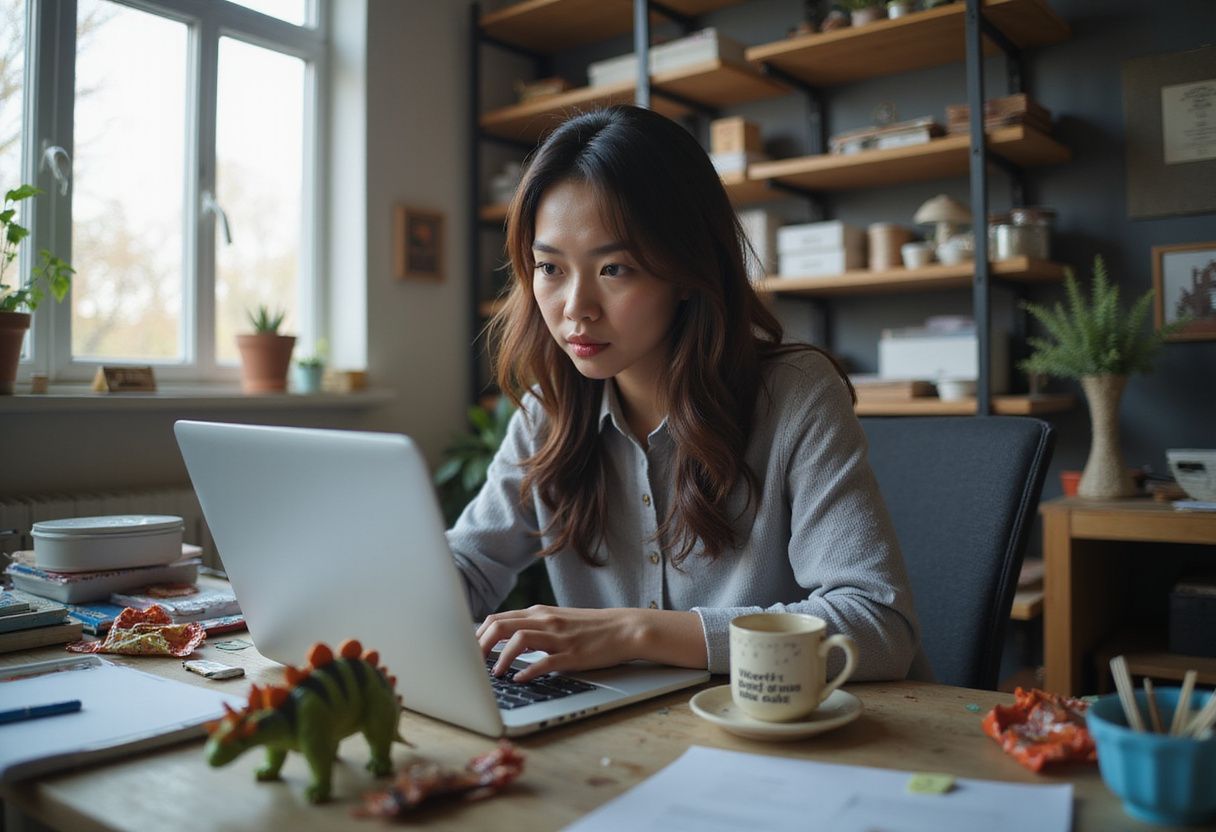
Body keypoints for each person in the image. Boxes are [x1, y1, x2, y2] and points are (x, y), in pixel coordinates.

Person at [447, 105, 925, 684]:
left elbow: (877, 627)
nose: (576, 309)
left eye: (615, 268)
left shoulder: (796, 396)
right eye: (550, 267)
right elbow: (467, 567)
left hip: (776, 736)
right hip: (618, 740)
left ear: (685, 270)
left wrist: (635, 632)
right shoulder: (548, 411)